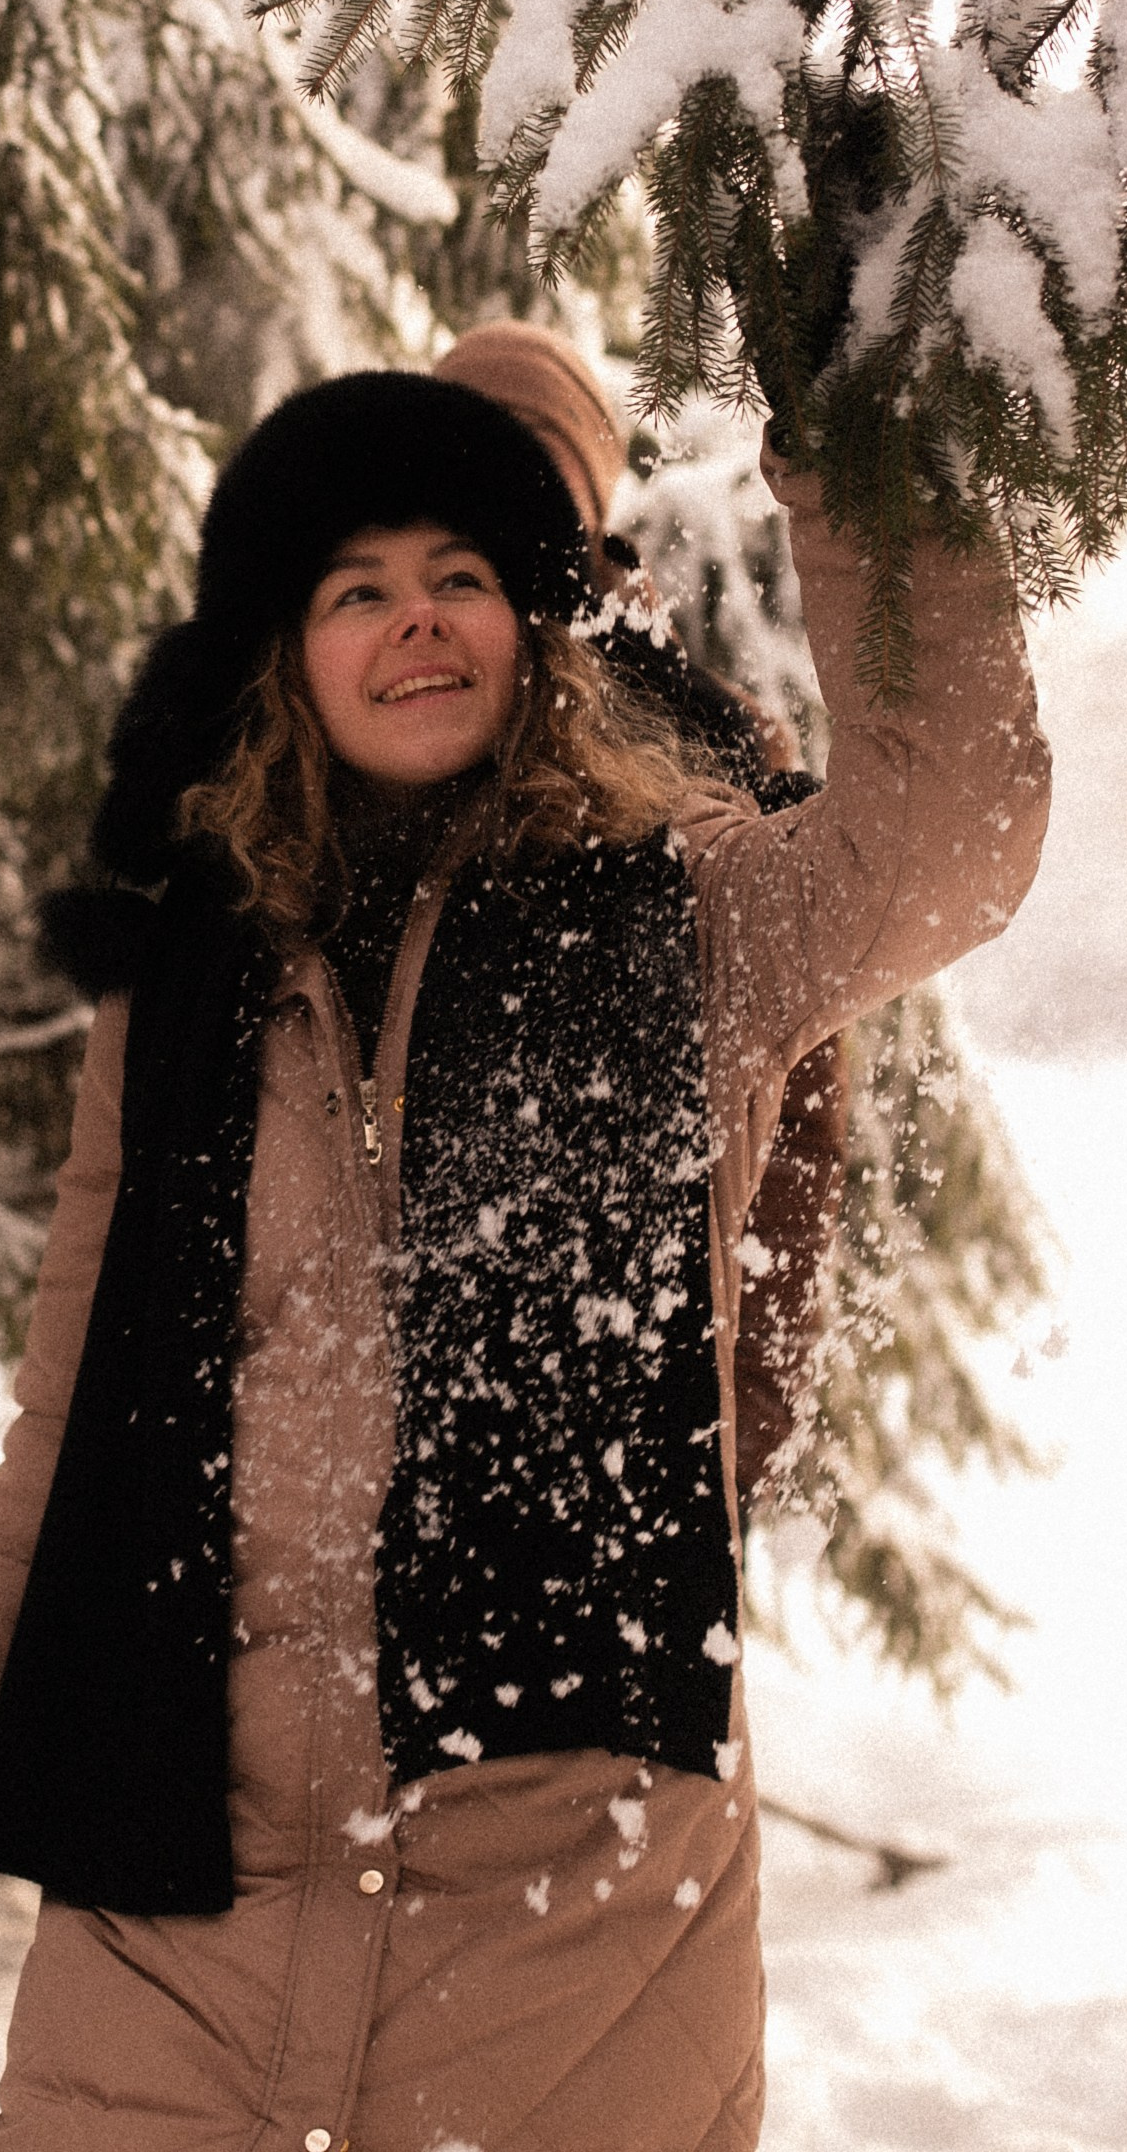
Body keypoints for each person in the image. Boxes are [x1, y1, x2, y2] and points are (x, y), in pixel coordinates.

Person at [0, 371, 1050, 2151]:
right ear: (289, 655)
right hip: (175, 1900)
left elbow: (954, 832)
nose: (415, 620)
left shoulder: (688, 921)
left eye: (459, 575)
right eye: (356, 588)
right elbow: (70, 1435)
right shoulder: (177, 993)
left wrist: (865, 440)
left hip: (566, 1924)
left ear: (535, 627)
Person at [432, 320, 847, 1517]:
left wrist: (745, 1409)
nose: (494, 500)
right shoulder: (368, 706)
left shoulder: (708, 738)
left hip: (631, 1404)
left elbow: (799, 1100)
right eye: (459, 458)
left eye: (530, 466)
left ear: (587, 499)